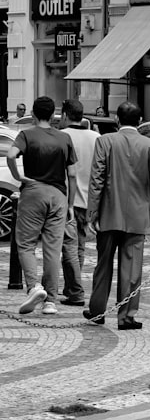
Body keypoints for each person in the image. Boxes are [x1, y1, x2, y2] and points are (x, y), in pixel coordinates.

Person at [85, 101, 150, 330]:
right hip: (139, 214)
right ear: (140, 121)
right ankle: (126, 316)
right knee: (132, 268)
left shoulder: (105, 141)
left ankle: (97, 311)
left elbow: (96, 180)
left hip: (108, 213)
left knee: (103, 265)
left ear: (117, 120)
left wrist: (92, 214)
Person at [6, 96, 78, 315]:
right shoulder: (64, 137)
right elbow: (72, 174)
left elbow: (10, 155)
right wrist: (71, 205)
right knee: (53, 249)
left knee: (26, 244)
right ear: (54, 116)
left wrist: (19, 175)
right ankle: (51, 301)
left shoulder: (26, 134)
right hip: (58, 196)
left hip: (34, 192)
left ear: (34, 115)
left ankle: (34, 287)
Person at [59, 99, 101, 307]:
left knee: (68, 247)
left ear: (65, 115)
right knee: (80, 246)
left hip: (67, 199)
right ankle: (71, 287)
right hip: (89, 199)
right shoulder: (96, 137)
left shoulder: (62, 136)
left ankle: (75, 290)